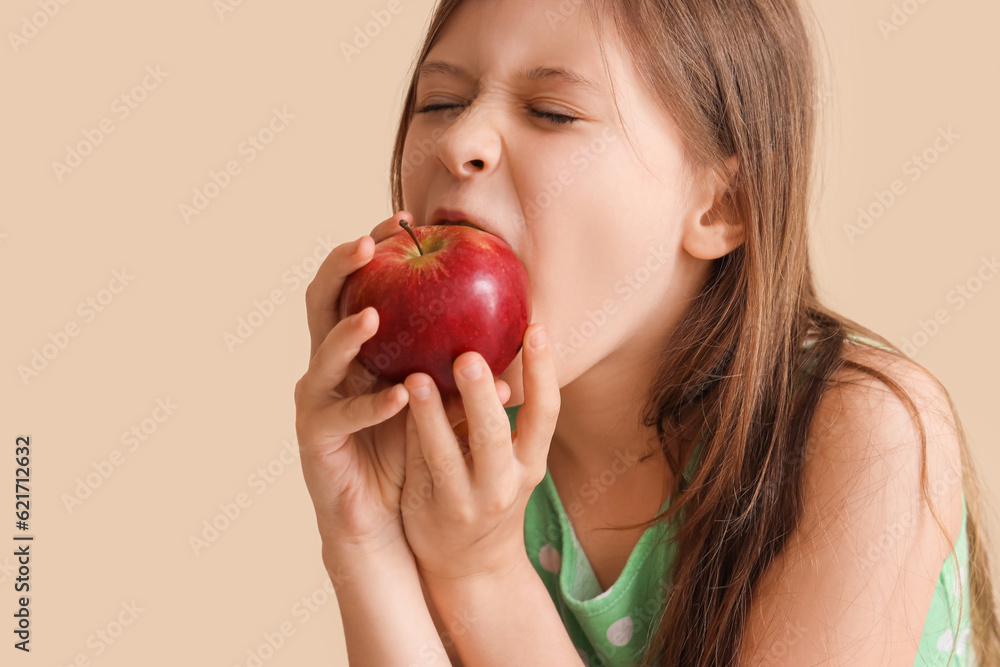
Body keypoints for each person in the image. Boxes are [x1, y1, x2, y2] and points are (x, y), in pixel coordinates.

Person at [293, 0, 1000, 664]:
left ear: (722, 205)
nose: (459, 141)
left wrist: (481, 573)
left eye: (552, 112)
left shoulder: (867, 435)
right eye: (441, 102)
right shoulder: (466, 448)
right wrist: (364, 536)